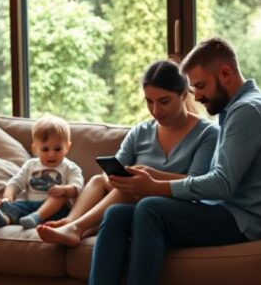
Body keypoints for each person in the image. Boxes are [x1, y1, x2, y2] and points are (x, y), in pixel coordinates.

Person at [86, 37, 261, 285]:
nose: (197, 95)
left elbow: (222, 184)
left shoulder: (248, 111)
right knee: (115, 214)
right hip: (220, 209)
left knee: (150, 208)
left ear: (225, 74)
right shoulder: (235, 109)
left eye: (200, 86)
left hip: (241, 220)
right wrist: (154, 179)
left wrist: (155, 186)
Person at [37, 59, 218, 249]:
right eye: (149, 101)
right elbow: (111, 172)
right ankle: (71, 223)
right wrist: (117, 177)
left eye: (164, 101)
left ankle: (76, 227)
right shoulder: (140, 131)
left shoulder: (208, 133)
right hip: (132, 203)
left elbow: (198, 184)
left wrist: (150, 177)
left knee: (133, 186)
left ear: (183, 95)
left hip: (171, 207)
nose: (155, 111)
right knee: (99, 181)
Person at [0, 113, 84, 229]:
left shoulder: (70, 167)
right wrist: (7, 198)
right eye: (45, 149)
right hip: (29, 207)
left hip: (56, 211)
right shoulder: (31, 165)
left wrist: (64, 189)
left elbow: (77, 188)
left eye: (57, 149)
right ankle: (6, 219)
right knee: (16, 206)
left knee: (61, 196)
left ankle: (36, 217)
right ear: (35, 149)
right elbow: (15, 183)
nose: (51, 154)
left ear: (67, 147)